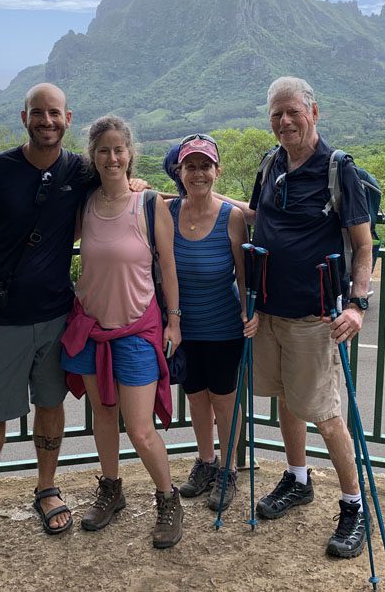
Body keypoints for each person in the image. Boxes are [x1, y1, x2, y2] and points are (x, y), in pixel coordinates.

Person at [0, 83, 89, 550]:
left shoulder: (80, 172)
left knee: (51, 405)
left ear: (68, 118)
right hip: (0, 317)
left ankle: (46, 488)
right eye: (38, 114)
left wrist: (140, 186)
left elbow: (119, 184)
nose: (47, 122)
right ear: (23, 116)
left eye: (55, 114)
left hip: (55, 315)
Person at [248, 76, 374, 559]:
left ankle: (353, 505)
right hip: (270, 312)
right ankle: (298, 479)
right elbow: (257, 219)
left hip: (314, 317)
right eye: (276, 114)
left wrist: (357, 304)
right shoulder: (270, 164)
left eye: (292, 112)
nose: (284, 121)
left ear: (313, 113)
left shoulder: (338, 169)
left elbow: (363, 246)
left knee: (324, 413)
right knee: (285, 398)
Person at [61, 115, 185, 549]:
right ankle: (111, 489)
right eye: (103, 150)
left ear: (130, 154)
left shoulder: (151, 205)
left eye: (119, 150)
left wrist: (175, 320)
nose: (112, 157)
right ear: (92, 157)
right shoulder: (84, 206)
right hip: (91, 328)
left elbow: (167, 266)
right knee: (105, 417)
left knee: (140, 428)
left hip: (136, 330)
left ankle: (168, 500)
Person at [167, 134, 258, 511]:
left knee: (224, 401)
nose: (199, 173)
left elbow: (243, 274)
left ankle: (228, 470)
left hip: (223, 326)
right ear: (179, 171)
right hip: (184, 327)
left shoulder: (231, 217)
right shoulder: (167, 211)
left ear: (217, 171)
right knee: (196, 399)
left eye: (206, 166)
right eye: (191, 166)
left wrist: (249, 313)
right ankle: (205, 462)